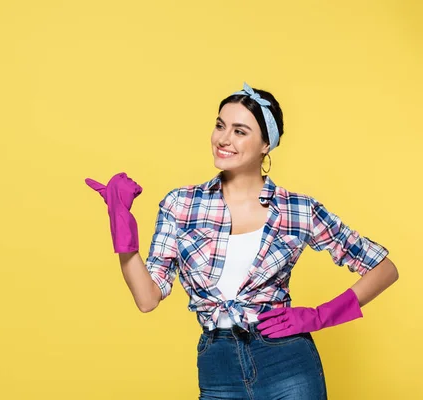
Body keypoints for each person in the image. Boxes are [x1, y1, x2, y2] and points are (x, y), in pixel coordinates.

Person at [84, 82, 399, 400]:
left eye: (240, 131)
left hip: (287, 362)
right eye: (220, 125)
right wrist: (120, 222)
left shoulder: (298, 209)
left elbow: (384, 269)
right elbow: (147, 299)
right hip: (218, 367)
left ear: (266, 144)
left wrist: (319, 315)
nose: (223, 139)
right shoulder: (180, 204)